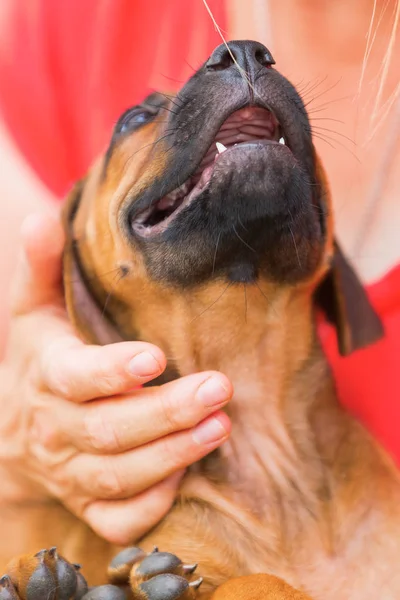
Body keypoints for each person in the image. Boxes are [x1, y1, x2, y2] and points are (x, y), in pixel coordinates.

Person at [0, 0, 399, 547]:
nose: (248, 61)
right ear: (75, 276)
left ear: (338, 272)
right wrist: (17, 447)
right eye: (137, 120)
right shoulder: (76, 17)